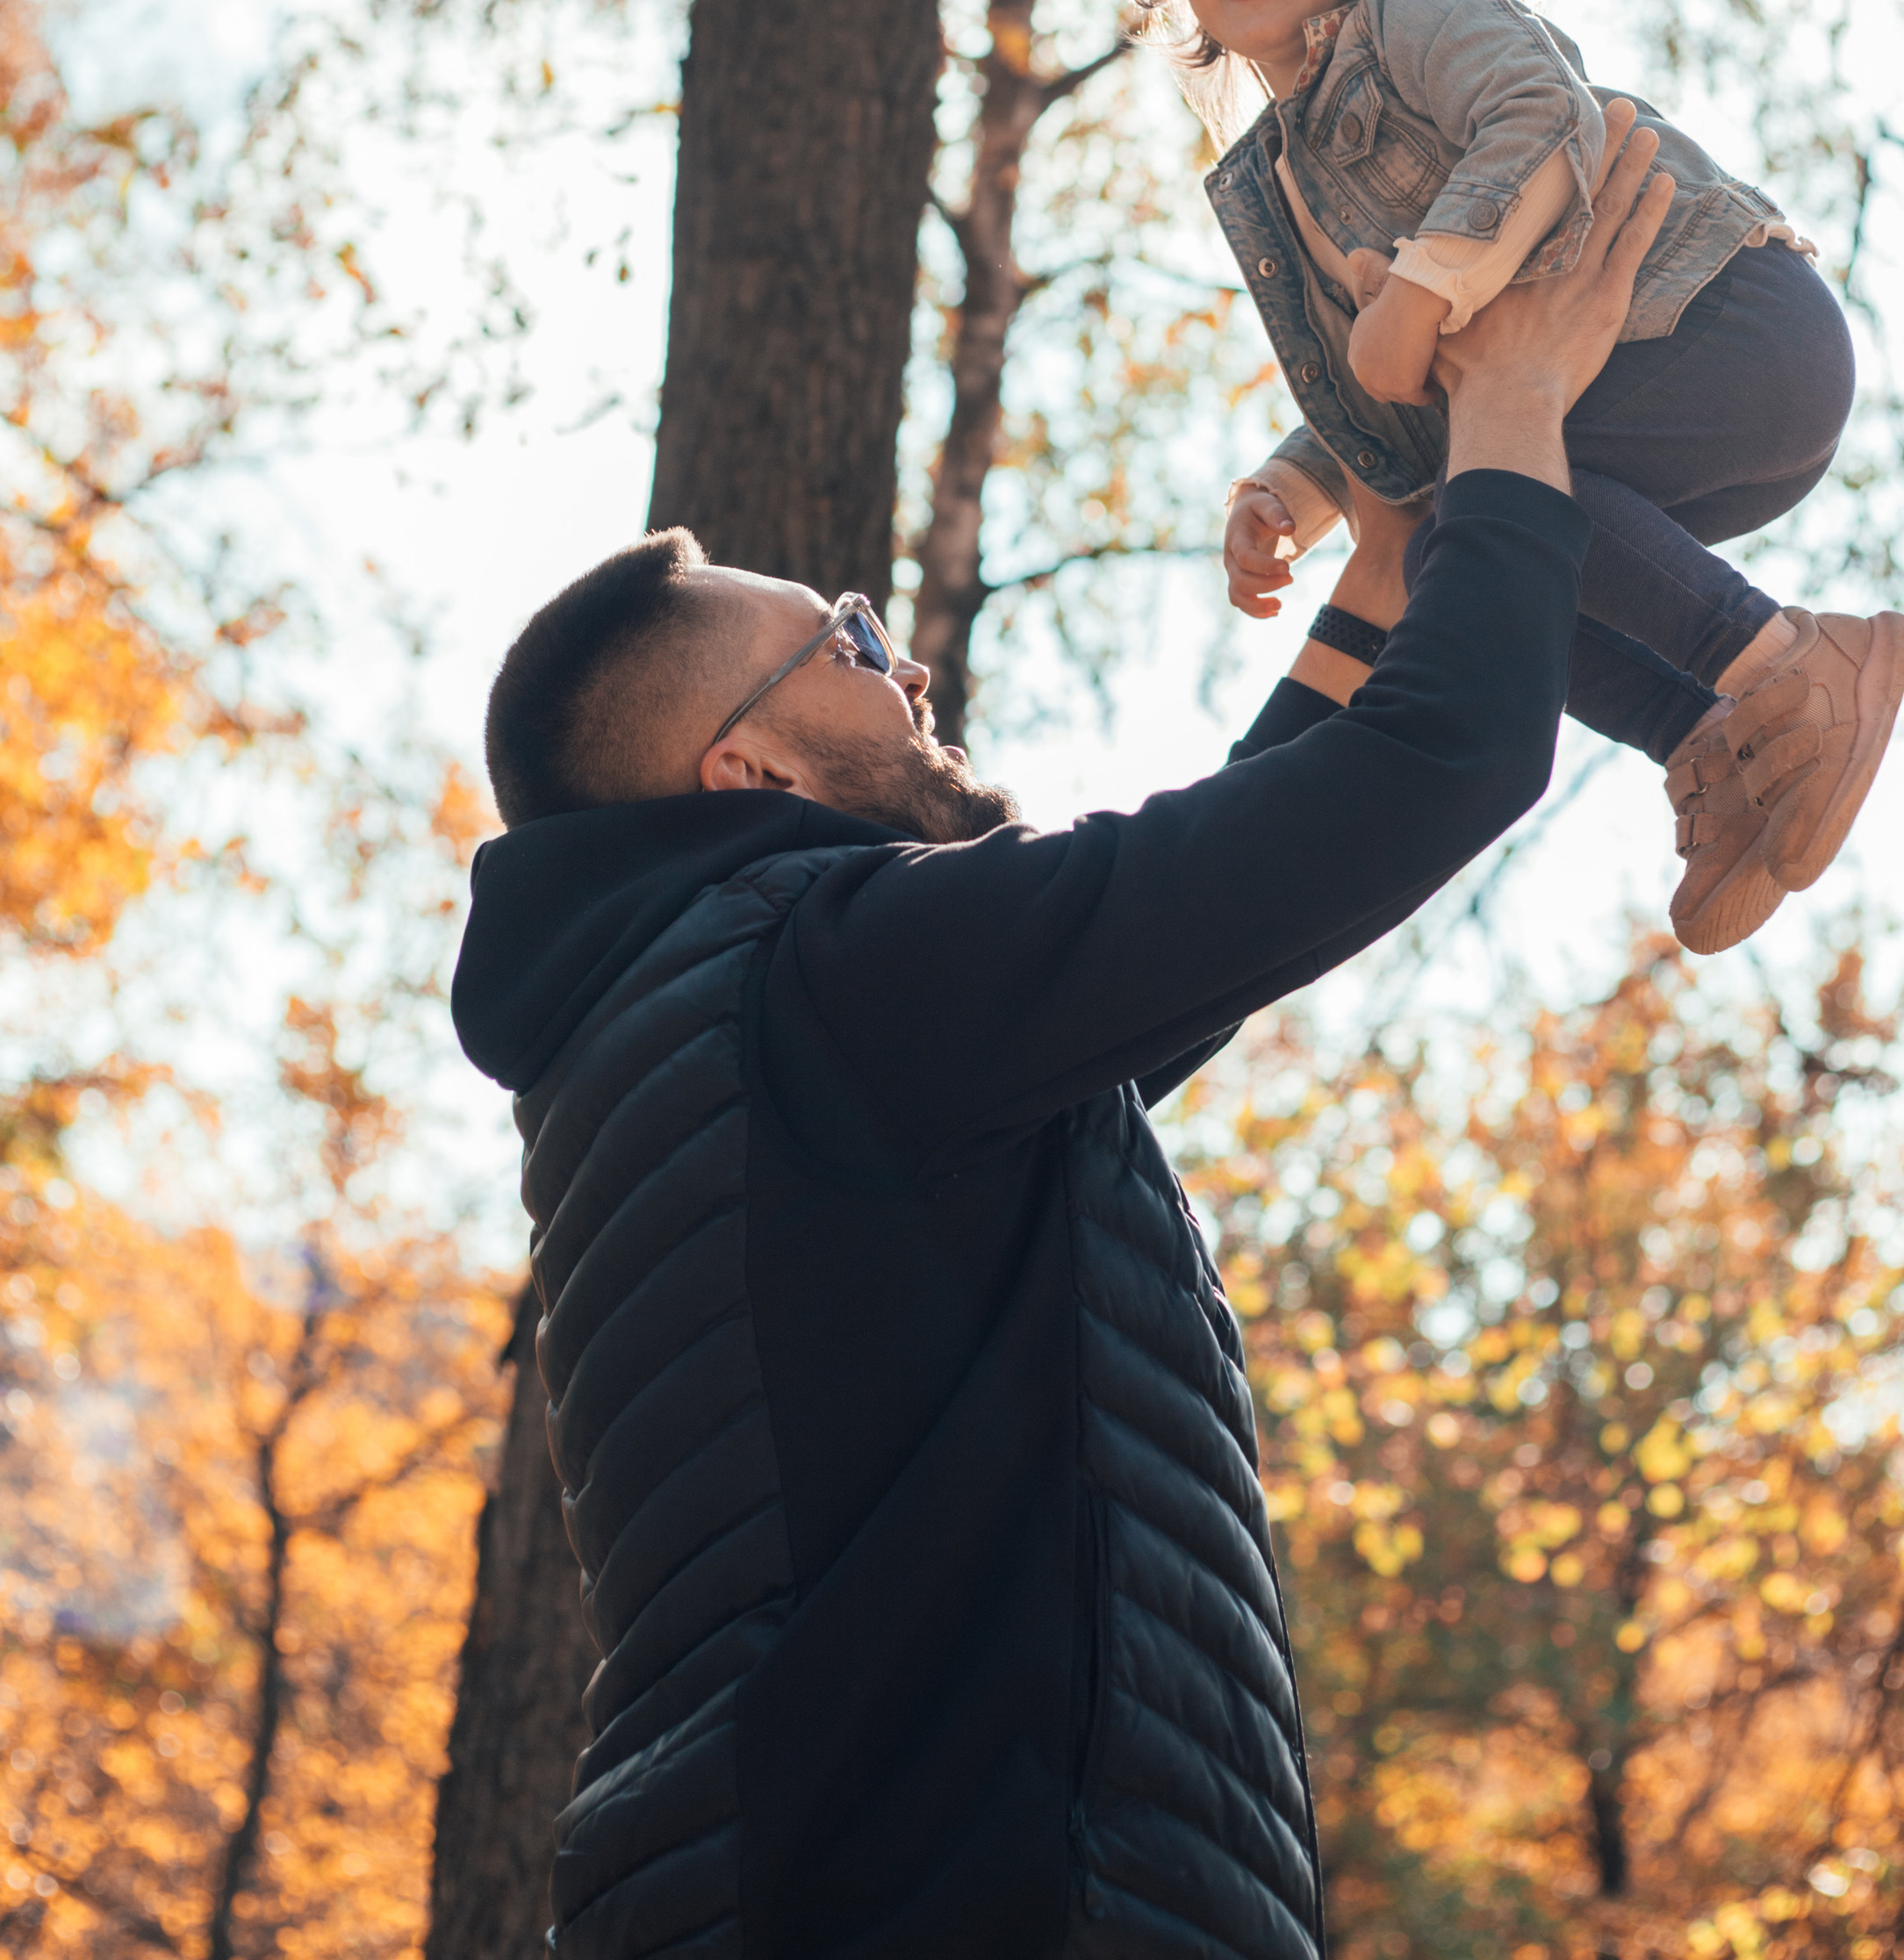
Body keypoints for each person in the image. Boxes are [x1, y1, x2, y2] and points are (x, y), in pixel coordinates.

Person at [449, 111, 1671, 1960]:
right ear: (745, 766)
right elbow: (1432, 774)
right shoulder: (832, 970)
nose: (902, 656)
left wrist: (1386, 567)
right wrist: (1507, 426)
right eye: (846, 639)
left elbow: (1190, 928)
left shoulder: (728, 1020)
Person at [1134, 0, 1904, 953]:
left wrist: (1433, 281)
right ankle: (1722, 742)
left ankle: (1796, 664)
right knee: (1482, 569)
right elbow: (1380, 395)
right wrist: (1292, 489)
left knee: (1479, 507)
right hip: (1632, 415)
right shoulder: (1277, 177)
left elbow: (1540, 115)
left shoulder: (1407, 7)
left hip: (1722, 326)